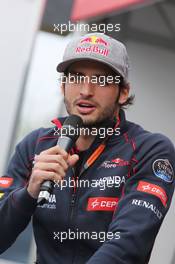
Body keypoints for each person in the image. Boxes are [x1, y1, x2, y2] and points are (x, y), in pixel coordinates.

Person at [0, 32, 174, 264]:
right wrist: (28, 194)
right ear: (63, 86)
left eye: (101, 80)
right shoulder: (35, 145)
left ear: (123, 92)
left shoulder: (150, 150)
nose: (86, 90)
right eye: (77, 77)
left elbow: (128, 245)